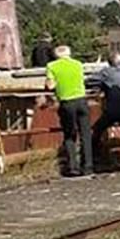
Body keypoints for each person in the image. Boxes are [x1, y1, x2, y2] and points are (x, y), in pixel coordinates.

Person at [46, 45, 93, 176]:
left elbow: (50, 85)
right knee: (86, 134)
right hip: (81, 100)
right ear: (69, 54)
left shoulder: (52, 66)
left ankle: (73, 167)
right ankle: (88, 166)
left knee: (69, 134)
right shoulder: (78, 64)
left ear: (56, 55)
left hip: (66, 102)